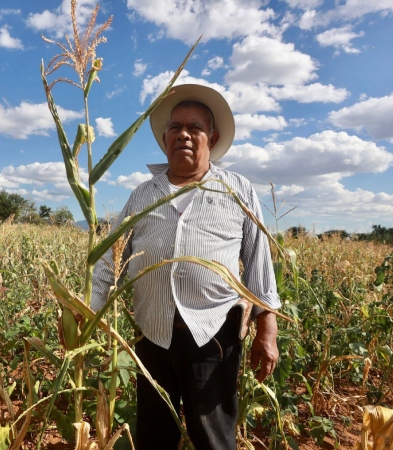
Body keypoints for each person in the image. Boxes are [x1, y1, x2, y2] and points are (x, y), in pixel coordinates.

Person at [90, 84, 281, 449]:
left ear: (213, 136)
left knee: (213, 437)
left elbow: (259, 262)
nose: (183, 135)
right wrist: (91, 309)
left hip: (214, 336)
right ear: (164, 139)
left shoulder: (236, 189)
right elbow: (109, 260)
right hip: (153, 334)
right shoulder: (143, 194)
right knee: (154, 434)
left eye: (194, 128)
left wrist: (266, 331)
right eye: (175, 128)